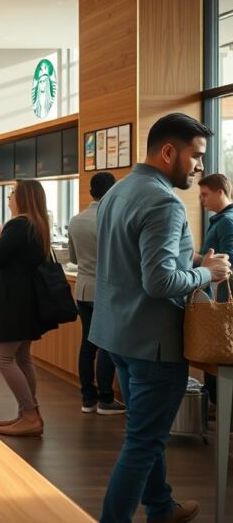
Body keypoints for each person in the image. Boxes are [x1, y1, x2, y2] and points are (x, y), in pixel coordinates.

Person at [92, 113, 229, 523]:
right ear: (168, 152)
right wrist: (209, 272)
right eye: (196, 156)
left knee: (143, 434)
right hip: (154, 343)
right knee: (145, 442)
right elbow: (159, 281)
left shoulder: (117, 192)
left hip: (116, 335)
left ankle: (161, 506)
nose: (201, 166)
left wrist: (191, 259)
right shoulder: (165, 202)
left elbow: (136, 261)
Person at [0, 179, 56, 437]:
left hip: (14, 301)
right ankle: (26, 413)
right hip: (28, 301)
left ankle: (30, 413)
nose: (9, 196)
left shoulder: (18, 224)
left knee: (1, 357)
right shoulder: (37, 225)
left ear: (23, 197)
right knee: (22, 357)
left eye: (13, 192)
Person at [67, 172, 124, 416]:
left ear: (91, 192)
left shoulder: (76, 219)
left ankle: (87, 399)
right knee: (107, 345)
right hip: (106, 290)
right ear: (113, 191)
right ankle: (105, 399)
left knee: (87, 345)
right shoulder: (111, 218)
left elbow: (73, 259)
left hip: (82, 289)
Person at [198, 172, 233, 411]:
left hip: (222, 304)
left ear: (220, 191)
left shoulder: (228, 222)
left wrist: (198, 261)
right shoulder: (220, 221)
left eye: (205, 194)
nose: (201, 200)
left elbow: (229, 264)